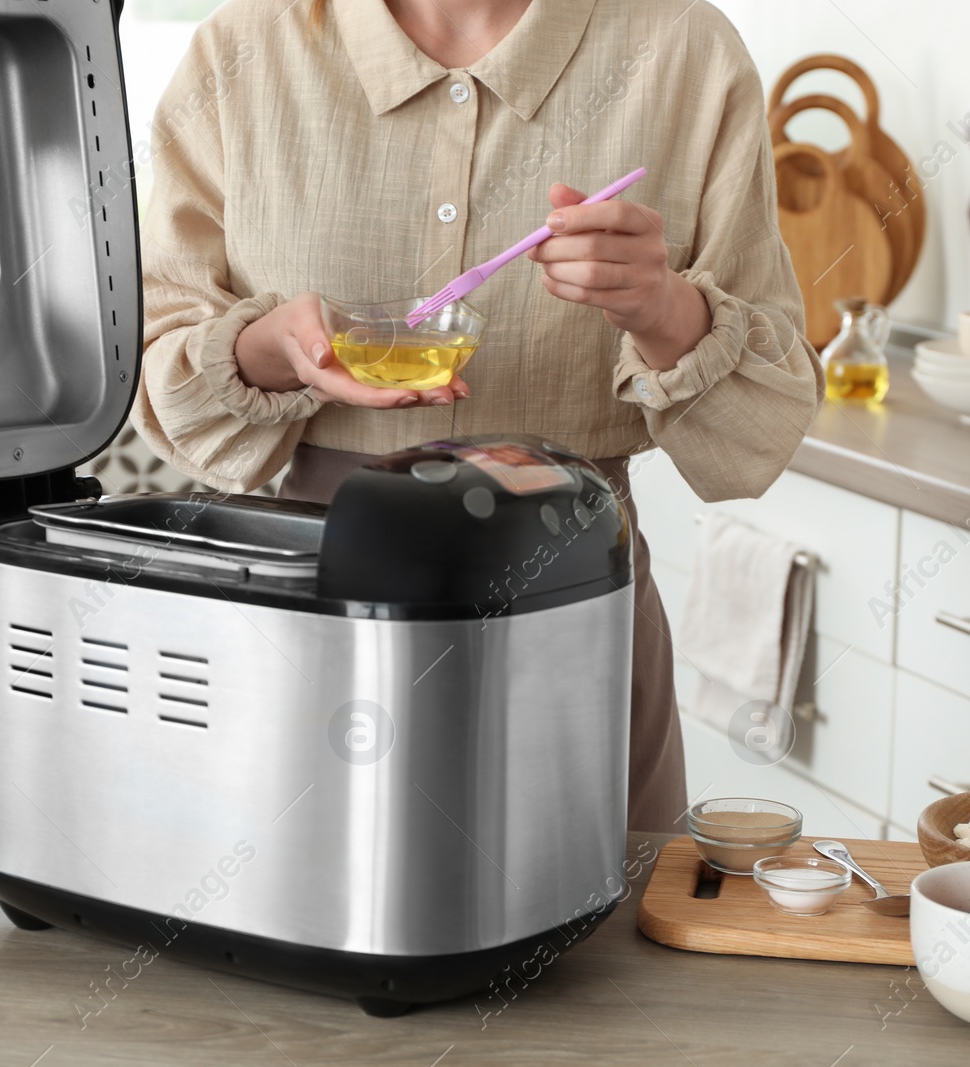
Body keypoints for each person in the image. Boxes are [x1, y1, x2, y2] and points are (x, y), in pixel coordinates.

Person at [132, 0, 823, 831]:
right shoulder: (240, 54)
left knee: (600, 942)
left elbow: (765, 427)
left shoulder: (684, 51)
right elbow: (152, 361)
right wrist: (269, 349)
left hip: (574, 604)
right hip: (316, 599)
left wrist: (666, 308)